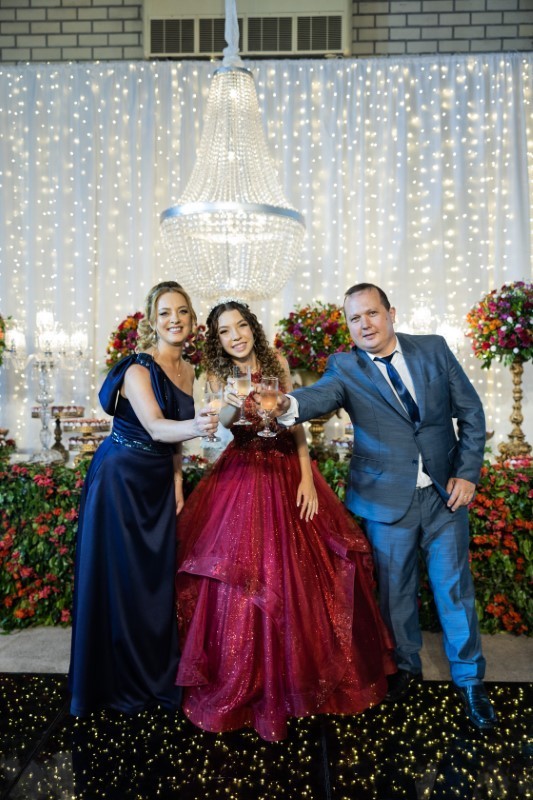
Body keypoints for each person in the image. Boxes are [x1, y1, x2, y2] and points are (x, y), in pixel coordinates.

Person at [272, 282, 497, 731]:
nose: (365, 325)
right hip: (386, 499)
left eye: (372, 314)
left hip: (444, 494)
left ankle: (471, 681)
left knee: (454, 590)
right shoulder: (345, 366)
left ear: (391, 314)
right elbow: (320, 395)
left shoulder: (433, 350)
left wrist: (468, 473)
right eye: (355, 319)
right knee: (395, 593)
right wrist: (287, 403)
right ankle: (407, 668)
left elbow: (471, 414)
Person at [175, 299, 396, 742]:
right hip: (242, 473)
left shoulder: (276, 360)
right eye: (225, 331)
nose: (235, 336)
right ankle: (249, 681)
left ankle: (303, 679)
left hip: (285, 468)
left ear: (251, 327)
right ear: (217, 340)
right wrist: (230, 404)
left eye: (240, 326)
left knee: (304, 572)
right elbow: (224, 426)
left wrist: (308, 478)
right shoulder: (216, 374)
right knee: (244, 575)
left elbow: (295, 422)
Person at [68, 281, 219, 716]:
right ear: (153, 321)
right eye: (165, 312)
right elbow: (155, 426)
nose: (175, 319)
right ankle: (112, 681)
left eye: (182, 312)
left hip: (157, 481)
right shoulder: (137, 368)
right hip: (119, 480)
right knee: (121, 579)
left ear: (192, 320)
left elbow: (173, 441)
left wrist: (177, 481)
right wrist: (202, 426)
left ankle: (153, 672)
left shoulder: (189, 369)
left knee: (154, 581)